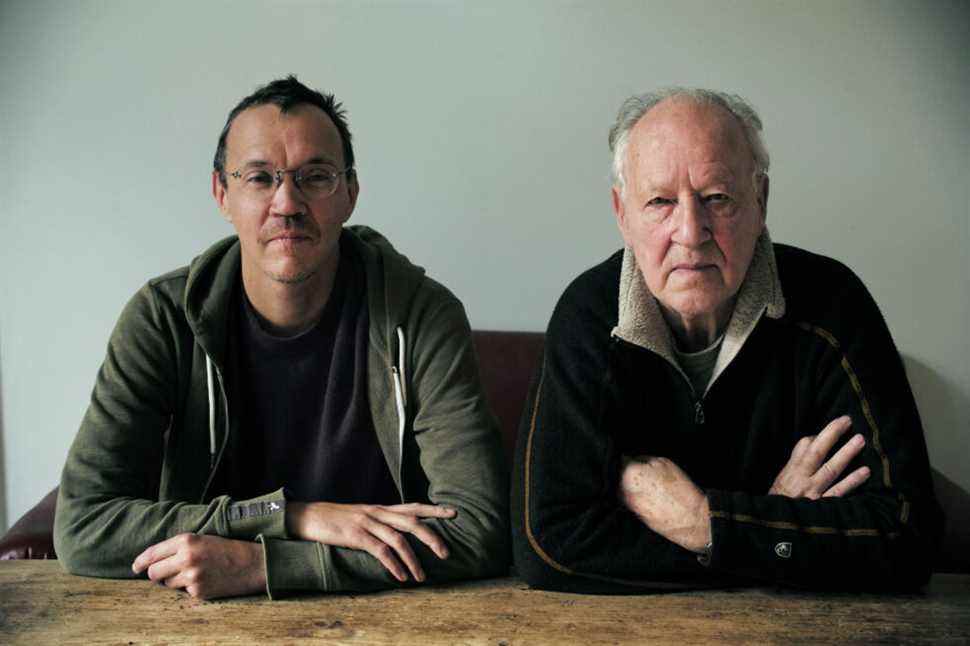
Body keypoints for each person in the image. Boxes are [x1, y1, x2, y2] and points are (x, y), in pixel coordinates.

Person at [54, 76, 508, 600]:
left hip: (385, 619)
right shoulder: (162, 319)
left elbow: (479, 528)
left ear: (350, 195)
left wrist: (266, 565)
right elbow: (84, 525)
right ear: (222, 193)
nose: (287, 202)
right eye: (259, 177)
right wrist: (291, 517)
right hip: (198, 622)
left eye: (315, 177)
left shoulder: (422, 316)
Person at [511, 88, 942, 592]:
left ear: (760, 201)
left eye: (717, 198)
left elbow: (908, 537)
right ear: (621, 214)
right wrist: (769, 530)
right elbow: (547, 546)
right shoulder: (589, 314)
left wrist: (705, 523)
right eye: (660, 202)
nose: (691, 232)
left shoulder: (833, 303)